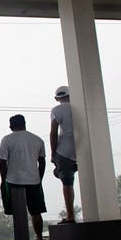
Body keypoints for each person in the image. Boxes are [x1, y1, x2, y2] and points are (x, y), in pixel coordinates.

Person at [0, 114, 48, 240]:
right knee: (36, 212)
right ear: (25, 124)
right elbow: (42, 161)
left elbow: (2, 162)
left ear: (11, 126)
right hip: (34, 181)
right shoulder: (37, 140)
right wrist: (39, 177)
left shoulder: (7, 140)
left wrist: (3, 180)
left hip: (13, 181)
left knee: (17, 213)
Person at [50, 85, 78, 223]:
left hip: (64, 150)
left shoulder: (56, 110)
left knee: (67, 182)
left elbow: (53, 133)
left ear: (56, 98)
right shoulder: (79, 106)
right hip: (82, 146)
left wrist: (53, 153)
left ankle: (70, 215)